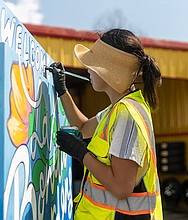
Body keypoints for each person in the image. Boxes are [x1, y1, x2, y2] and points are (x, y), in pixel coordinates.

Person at [50, 28, 163, 220]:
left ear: (109, 71)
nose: (87, 69)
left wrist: (81, 153)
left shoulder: (127, 116)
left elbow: (121, 188)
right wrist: (62, 91)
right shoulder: (117, 110)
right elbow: (83, 127)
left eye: (93, 64)